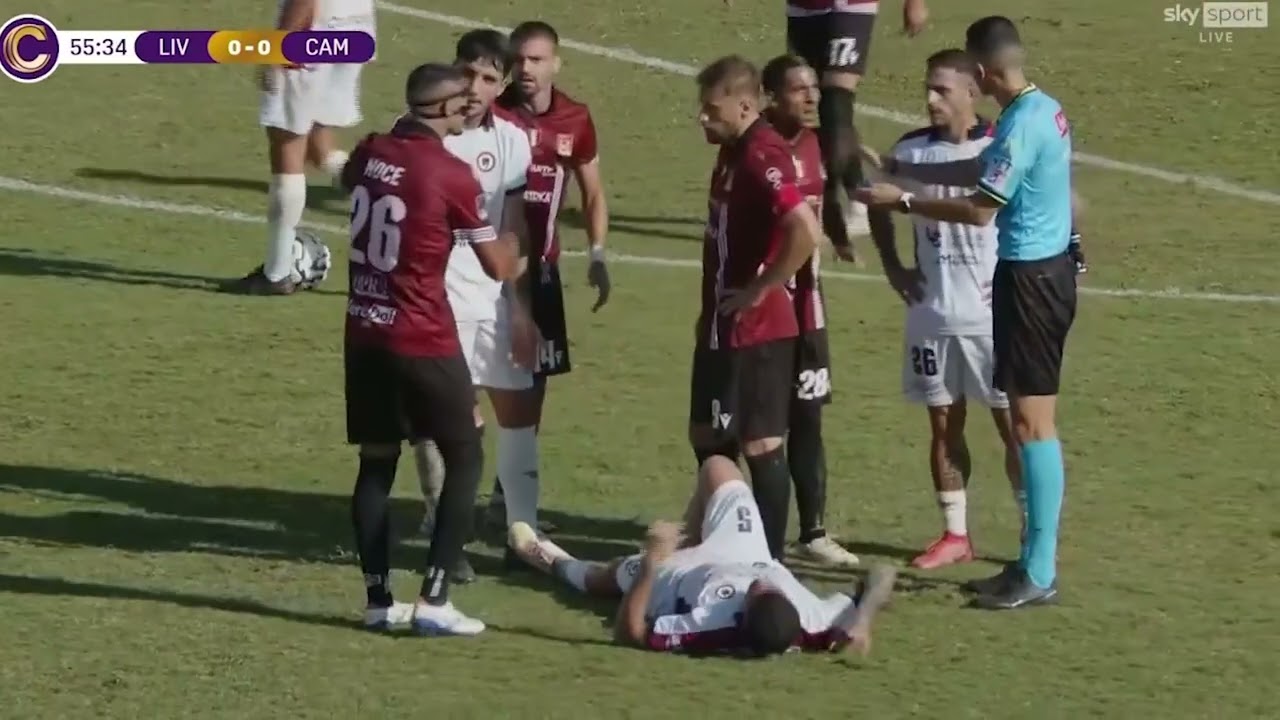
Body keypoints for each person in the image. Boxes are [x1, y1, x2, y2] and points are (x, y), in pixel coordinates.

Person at [856, 17, 1076, 609]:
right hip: (1042, 275)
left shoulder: (1019, 125)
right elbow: (978, 171)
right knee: (1028, 425)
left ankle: (1039, 570)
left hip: (1030, 282)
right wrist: (906, 172)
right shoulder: (1044, 109)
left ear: (980, 73)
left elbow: (980, 208)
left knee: (1030, 427)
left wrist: (904, 199)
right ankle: (1031, 563)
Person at [341, 63, 520, 636]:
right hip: (422, 335)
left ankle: (377, 601)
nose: (471, 107)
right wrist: (518, 244)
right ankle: (435, 598)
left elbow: (351, 179)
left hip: (364, 331)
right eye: (463, 99)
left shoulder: (371, 150)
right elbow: (497, 267)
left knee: (376, 462)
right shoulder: (450, 173)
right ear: (442, 108)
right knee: (465, 453)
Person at [866, 49, 1024, 570]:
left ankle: (1033, 534)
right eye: (927, 90)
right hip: (931, 315)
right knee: (942, 427)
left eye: (942, 90)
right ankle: (956, 535)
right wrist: (893, 265)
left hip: (994, 318)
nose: (931, 99)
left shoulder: (1000, 145)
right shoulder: (910, 149)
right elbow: (879, 202)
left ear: (971, 91)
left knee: (1016, 429)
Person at [508, 456, 898, 655]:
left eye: (757, 592)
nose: (761, 585)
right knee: (718, 467)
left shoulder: (708, 624)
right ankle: (688, 534)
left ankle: (547, 558)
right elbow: (883, 574)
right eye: (772, 588)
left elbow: (631, 635)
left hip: (678, 576)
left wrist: (652, 562)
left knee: (601, 581)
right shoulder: (815, 620)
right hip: (747, 551)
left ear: (743, 615)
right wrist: (863, 619)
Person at [412, 30, 540, 585]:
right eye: (467, 73)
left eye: (488, 78)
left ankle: (523, 535)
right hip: (433, 294)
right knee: (445, 415)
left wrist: (521, 309)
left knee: (517, 412)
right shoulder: (424, 132)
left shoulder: (512, 142)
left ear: (502, 84)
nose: (474, 87)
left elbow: (515, 230)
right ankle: (446, 530)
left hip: (491, 293)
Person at [688, 55, 825, 562]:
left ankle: (768, 562)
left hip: (758, 332)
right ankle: (724, 539)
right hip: (720, 326)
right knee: (706, 434)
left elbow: (804, 229)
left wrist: (761, 288)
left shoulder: (761, 155)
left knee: (762, 444)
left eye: (711, 108)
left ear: (743, 106)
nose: (702, 117)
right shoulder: (732, 151)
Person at [481, 20, 612, 539]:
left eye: (536, 59)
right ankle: (447, 495)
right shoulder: (491, 111)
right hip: (487, 269)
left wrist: (597, 253)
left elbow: (593, 192)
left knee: (532, 392)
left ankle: (506, 499)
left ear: (556, 62)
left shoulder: (576, 118)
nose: (526, 69)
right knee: (467, 382)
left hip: (541, 274)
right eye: (519, 60)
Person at [759, 54, 859, 567]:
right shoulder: (755, 148)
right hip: (763, 308)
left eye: (814, 88)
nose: (812, 97)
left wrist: (841, 238)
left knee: (809, 415)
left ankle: (813, 532)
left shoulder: (819, 144)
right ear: (772, 96)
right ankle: (755, 534)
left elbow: (828, 200)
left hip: (807, 307)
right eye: (799, 89)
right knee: (760, 426)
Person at [224, 0, 376, 295]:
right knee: (319, 145)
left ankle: (277, 272)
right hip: (355, 22)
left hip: (312, 29)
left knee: (287, 146)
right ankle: (391, 201)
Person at [771, 0, 928, 262]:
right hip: (802, 7)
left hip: (850, 6)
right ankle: (858, 200)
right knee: (817, 104)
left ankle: (835, 214)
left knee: (835, 103)